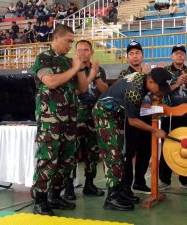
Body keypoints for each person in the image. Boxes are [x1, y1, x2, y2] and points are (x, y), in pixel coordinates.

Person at [92, 67, 170, 211]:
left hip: (115, 115)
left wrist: (140, 104)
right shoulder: (135, 89)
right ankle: (112, 199)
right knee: (113, 154)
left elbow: (123, 96)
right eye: (160, 87)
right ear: (151, 81)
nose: (161, 91)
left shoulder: (142, 78)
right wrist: (155, 130)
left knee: (120, 154)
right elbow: (133, 121)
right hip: (105, 114)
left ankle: (121, 192)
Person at [31, 24, 88, 216]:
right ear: (56, 38)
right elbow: (51, 81)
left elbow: (82, 88)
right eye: (68, 41)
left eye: (72, 42)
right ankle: (40, 200)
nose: (70, 46)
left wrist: (78, 67)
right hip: (50, 119)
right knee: (48, 159)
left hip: (70, 119)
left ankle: (55, 196)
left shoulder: (67, 61)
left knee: (67, 159)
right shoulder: (43, 58)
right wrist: (73, 69)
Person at [63, 40, 109, 201]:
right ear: (75, 53)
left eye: (86, 50)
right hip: (76, 114)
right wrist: (90, 74)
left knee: (93, 151)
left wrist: (96, 75)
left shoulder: (99, 70)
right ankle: (68, 187)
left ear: (91, 53)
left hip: (94, 114)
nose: (82, 53)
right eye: (79, 50)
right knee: (72, 151)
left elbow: (104, 91)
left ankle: (89, 184)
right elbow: (76, 90)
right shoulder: (71, 69)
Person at [159, 44, 187, 191]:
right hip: (168, 115)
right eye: (176, 53)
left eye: (182, 53)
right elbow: (160, 92)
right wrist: (177, 84)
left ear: (185, 56)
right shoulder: (165, 71)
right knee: (167, 147)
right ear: (172, 56)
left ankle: (186, 180)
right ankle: (165, 180)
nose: (179, 55)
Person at [119, 41, 153, 203]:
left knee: (145, 151)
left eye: (137, 53)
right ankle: (126, 187)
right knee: (129, 153)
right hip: (131, 119)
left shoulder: (149, 74)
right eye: (131, 53)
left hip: (147, 117)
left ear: (142, 55)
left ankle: (140, 181)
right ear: (127, 57)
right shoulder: (123, 74)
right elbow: (127, 94)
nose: (135, 56)